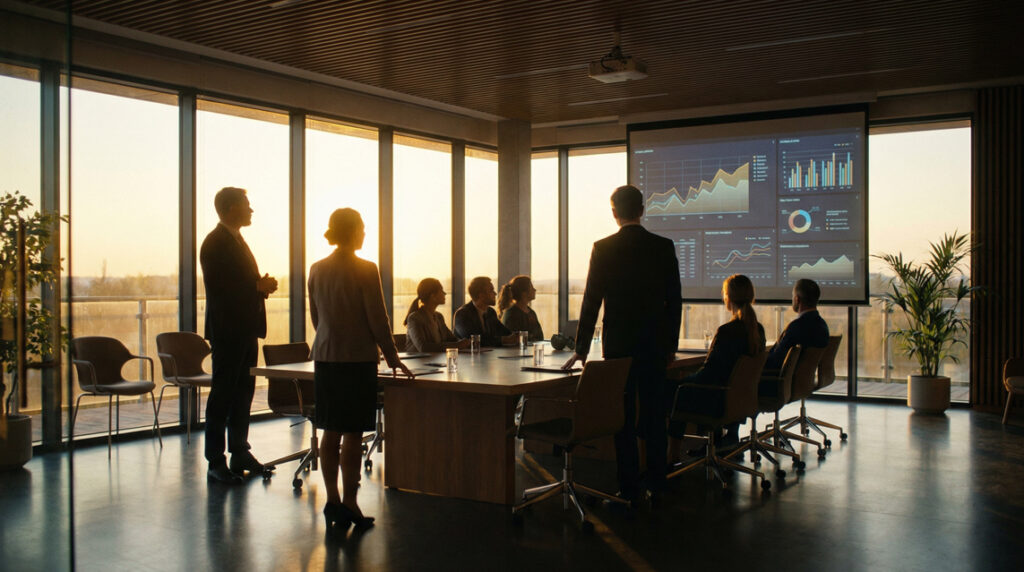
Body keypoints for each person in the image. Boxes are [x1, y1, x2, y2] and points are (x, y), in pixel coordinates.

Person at [562, 185, 682, 504]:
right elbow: (675, 300)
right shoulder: (663, 246)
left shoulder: (603, 248)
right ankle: (657, 483)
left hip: (618, 346)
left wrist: (581, 348)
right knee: (654, 416)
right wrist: (671, 344)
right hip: (655, 345)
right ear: (642, 210)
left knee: (623, 419)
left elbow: (591, 300)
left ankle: (628, 489)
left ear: (614, 212)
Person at [308, 208, 412, 533]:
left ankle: (332, 500)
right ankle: (351, 503)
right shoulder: (366, 269)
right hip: (356, 359)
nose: (365, 233)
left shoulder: (316, 268)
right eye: (363, 228)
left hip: (326, 356)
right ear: (353, 231)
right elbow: (377, 318)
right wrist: (392, 357)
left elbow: (315, 316)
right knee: (353, 433)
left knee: (330, 430)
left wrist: (331, 337)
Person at [200, 186, 278, 485]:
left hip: (245, 330)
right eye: (247, 204)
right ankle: (215, 461)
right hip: (228, 331)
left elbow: (237, 282)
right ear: (232, 208)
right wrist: (256, 287)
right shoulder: (214, 243)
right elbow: (219, 288)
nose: (251, 209)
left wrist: (259, 286)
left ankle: (239, 452)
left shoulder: (236, 240)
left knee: (243, 394)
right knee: (222, 396)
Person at [668, 274, 765, 457]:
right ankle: (717, 442)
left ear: (727, 298)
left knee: (676, 390)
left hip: (718, 399)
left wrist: (684, 380)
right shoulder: (757, 330)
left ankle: (672, 456)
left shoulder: (727, 332)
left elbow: (708, 375)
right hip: (739, 399)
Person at [765, 278, 830, 371]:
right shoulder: (822, 326)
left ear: (797, 299)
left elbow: (775, 361)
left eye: (793, 296)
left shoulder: (796, 328)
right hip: (802, 378)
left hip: (777, 378)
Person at [404, 278, 469, 352]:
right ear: (433, 296)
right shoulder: (414, 318)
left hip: (438, 358)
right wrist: (457, 345)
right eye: (441, 291)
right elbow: (423, 347)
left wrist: (465, 343)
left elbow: (452, 339)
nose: (445, 293)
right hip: (419, 359)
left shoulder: (439, 317)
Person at [453, 276, 517, 347]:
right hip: (468, 354)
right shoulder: (463, 314)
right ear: (481, 295)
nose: (495, 293)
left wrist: (517, 336)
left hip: (488, 353)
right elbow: (474, 339)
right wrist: (503, 340)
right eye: (491, 290)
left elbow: (505, 332)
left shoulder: (490, 312)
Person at [498, 275, 544, 342]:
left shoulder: (531, 313)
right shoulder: (511, 315)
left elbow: (540, 337)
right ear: (523, 293)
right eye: (531, 288)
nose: (535, 290)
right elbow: (513, 340)